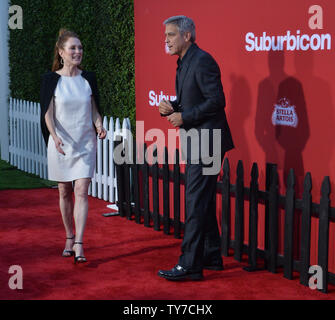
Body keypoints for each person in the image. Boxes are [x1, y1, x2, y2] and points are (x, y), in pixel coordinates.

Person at [158, 16, 234, 280]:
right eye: (165, 35)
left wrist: (185, 117)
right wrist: (173, 106)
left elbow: (217, 100)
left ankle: (189, 265)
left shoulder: (202, 61)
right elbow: (196, 98)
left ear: (187, 36)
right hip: (200, 139)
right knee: (203, 200)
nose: (165, 40)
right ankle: (211, 256)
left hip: (208, 141)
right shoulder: (184, 62)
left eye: (170, 35)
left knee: (194, 201)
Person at [40, 29, 107, 263]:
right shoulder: (51, 80)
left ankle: (79, 242)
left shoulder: (89, 78)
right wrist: (54, 136)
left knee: (81, 191)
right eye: (73, 48)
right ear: (61, 52)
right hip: (61, 144)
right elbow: (47, 113)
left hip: (85, 143)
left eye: (80, 48)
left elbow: (95, 109)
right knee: (64, 191)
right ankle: (69, 235)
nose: (78, 52)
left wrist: (99, 126)